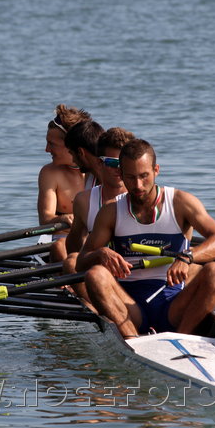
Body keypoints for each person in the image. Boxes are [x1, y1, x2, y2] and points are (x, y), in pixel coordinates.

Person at [76, 139, 215, 338]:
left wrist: (187, 257)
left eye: (144, 176)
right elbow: (81, 263)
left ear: (156, 170)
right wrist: (100, 253)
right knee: (95, 274)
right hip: (129, 306)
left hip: (172, 302)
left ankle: (183, 337)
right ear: (121, 175)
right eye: (131, 178)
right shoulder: (111, 212)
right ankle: (132, 341)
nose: (138, 185)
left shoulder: (180, 203)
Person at [63, 127, 136, 302]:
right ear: (99, 162)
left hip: (136, 271)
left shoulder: (142, 196)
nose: (119, 169)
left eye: (123, 163)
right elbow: (74, 250)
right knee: (71, 261)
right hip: (101, 276)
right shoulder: (84, 201)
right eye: (112, 163)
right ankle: (98, 309)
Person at [37, 104, 91, 261]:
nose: (47, 150)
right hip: (61, 244)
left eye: (52, 144)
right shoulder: (50, 173)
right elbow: (45, 221)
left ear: (71, 146)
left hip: (94, 241)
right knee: (59, 246)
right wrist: (60, 219)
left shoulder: (98, 170)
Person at [63, 120, 105, 191]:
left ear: (80, 152)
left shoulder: (114, 180)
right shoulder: (90, 176)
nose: (73, 160)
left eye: (72, 154)